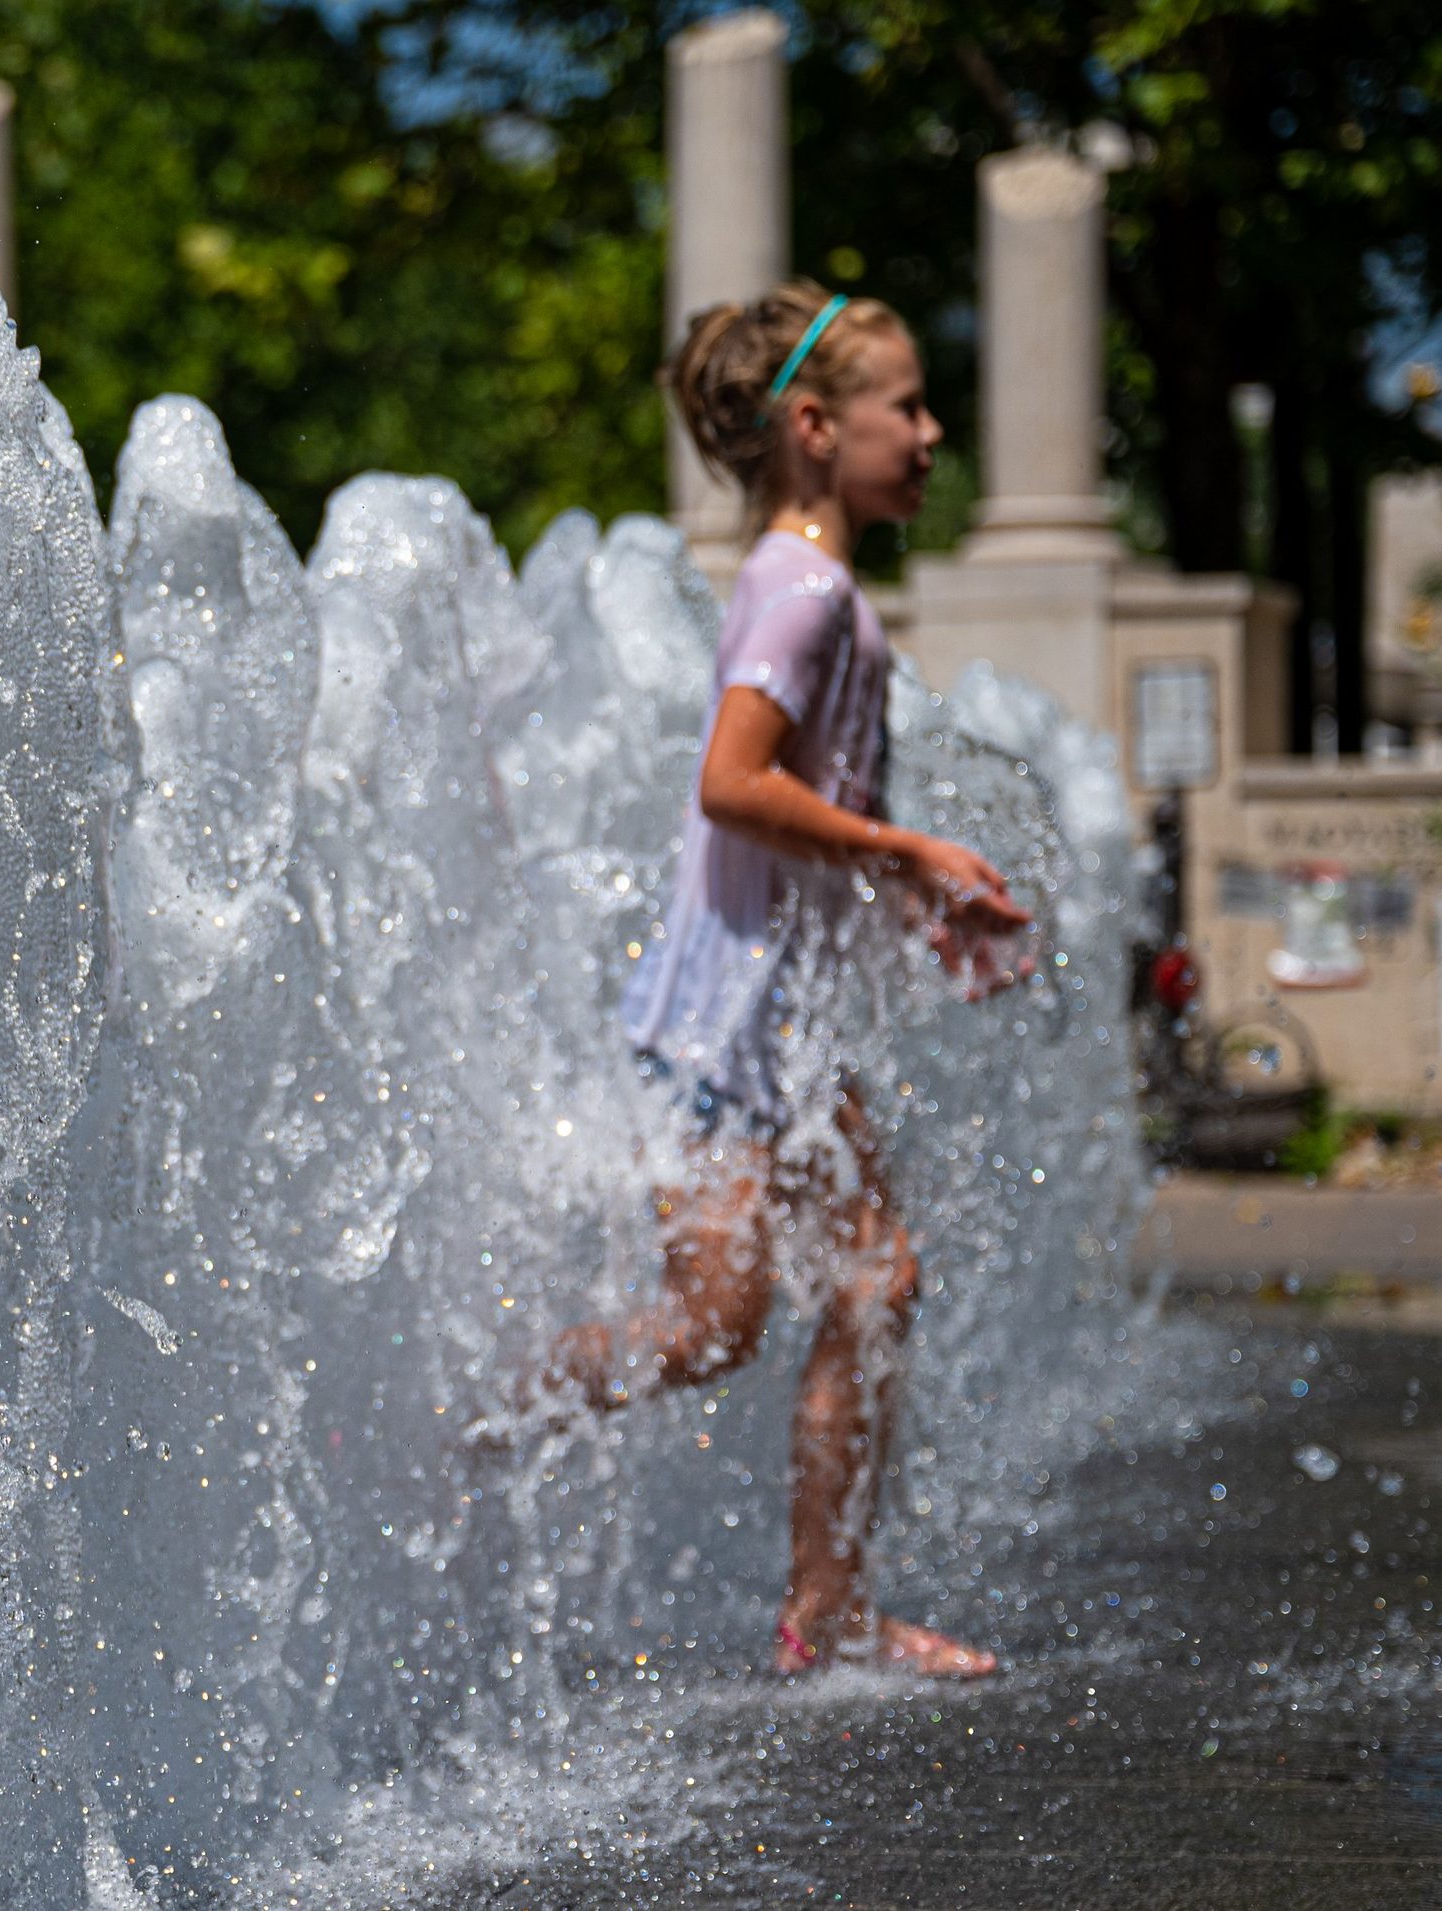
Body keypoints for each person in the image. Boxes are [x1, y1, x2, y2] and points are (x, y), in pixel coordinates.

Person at [479, 282, 1031, 1679]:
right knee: (719, 1325)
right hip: (724, 1027)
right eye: (900, 405)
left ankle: (827, 1605)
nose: (928, 430)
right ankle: (473, 1422)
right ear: (809, 426)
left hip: (765, 1021)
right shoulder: (799, 591)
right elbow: (730, 787)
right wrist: (906, 843)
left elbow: (797, 820)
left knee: (872, 1280)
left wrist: (911, 894)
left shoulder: (824, 592)